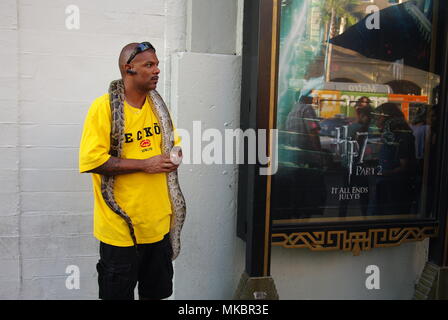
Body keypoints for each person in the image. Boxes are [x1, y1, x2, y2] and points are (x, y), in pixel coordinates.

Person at [79, 42, 181, 300]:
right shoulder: (104, 107)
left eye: (157, 64)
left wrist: (174, 157)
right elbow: (93, 161)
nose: (157, 70)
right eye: (149, 65)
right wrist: (146, 164)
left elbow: (172, 146)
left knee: (156, 295)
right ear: (128, 69)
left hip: (158, 226)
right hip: (119, 230)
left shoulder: (158, 107)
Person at [373, 103, 417, 215]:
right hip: (385, 184)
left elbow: (404, 166)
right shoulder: (389, 135)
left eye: (378, 118)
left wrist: (384, 173)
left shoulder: (402, 136)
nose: (376, 121)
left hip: (395, 187)